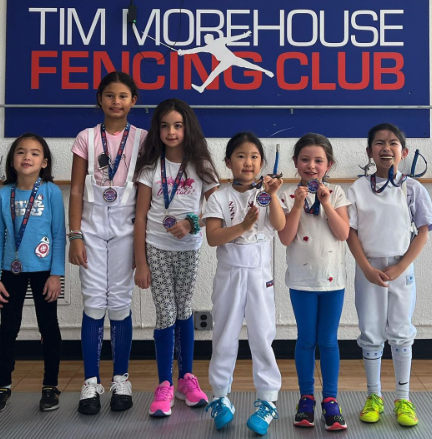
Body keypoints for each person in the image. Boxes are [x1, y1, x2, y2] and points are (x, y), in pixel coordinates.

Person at [134, 98, 219, 417]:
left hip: (189, 250)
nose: (171, 132)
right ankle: (164, 384)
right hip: (156, 248)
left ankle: (186, 379)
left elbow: (217, 209)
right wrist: (141, 263)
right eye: (165, 126)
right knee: (166, 312)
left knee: (183, 310)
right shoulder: (149, 167)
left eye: (178, 125)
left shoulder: (201, 165)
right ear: (157, 130)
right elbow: (140, 217)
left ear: (188, 128)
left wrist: (192, 223)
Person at [69, 71, 147, 415]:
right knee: (93, 303)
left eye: (123, 96)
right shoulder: (86, 137)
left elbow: (147, 191)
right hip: (91, 228)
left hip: (127, 230)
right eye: (110, 95)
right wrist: (75, 235)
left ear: (134, 101)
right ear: (100, 99)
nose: (116, 101)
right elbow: (75, 189)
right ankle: (90, 382)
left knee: (119, 302)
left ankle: (120, 379)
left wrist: (142, 244)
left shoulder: (143, 139)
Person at [347, 123, 432, 427]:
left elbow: (423, 232)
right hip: (368, 269)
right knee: (371, 332)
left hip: (401, 269)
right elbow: (350, 233)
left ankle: (403, 398)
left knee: (400, 330)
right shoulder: (358, 188)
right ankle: (374, 396)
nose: (386, 148)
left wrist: (400, 266)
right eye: (379, 143)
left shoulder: (413, 188)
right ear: (369, 151)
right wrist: (366, 268)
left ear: (404, 152)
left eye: (393, 143)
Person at [203, 132, 285, 435]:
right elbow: (213, 238)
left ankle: (267, 401)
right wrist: (243, 225)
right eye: (240, 156)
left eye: (254, 157)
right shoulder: (218, 197)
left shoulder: (267, 193)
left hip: (260, 276)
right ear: (228, 162)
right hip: (229, 275)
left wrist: (273, 195)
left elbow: (280, 225)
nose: (247, 162)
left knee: (262, 336)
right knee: (224, 335)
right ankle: (220, 397)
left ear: (261, 162)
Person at [0, 133, 65, 413]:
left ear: (44, 162)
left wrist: (57, 274)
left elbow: (59, 235)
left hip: (45, 272)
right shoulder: (3, 195)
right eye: (21, 152)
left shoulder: (51, 192)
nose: (27, 157)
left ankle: (50, 385)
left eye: (34, 153)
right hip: (11, 271)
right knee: (8, 328)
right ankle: (2, 386)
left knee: (49, 327)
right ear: (12, 160)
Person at [279, 133, 350, 431]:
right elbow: (285, 237)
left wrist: (326, 203)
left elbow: (343, 233)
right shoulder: (286, 195)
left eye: (318, 160)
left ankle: (330, 400)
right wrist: (298, 205)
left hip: (333, 282)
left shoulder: (338, 193)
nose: (311, 165)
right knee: (307, 339)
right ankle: (306, 398)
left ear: (328, 165)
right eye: (305, 159)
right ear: (296, 163)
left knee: (328, 340)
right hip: (302, 281)